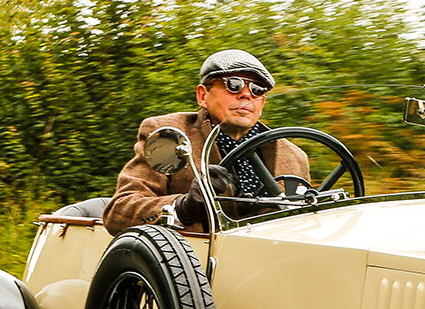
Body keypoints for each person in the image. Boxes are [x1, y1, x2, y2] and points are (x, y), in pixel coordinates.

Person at [104, 49, 312, 234]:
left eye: (257, 89)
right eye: (234, 84)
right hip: (193, 268)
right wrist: (183, 207)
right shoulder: (169, 135)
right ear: (203, 95)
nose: (247, 94)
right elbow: (119, 212)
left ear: (262, 103)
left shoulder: (294, 156)